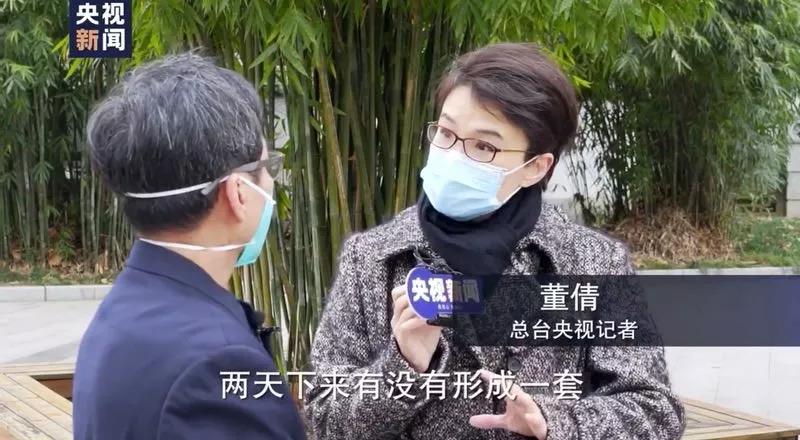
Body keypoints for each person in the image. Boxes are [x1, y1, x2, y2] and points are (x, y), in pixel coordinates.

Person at [305, 43, 685, 439]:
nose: (455, 156)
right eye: (446, 133)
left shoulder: (593, 262)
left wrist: (552, 423)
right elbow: (324, 417)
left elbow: (654, 411)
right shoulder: (373, 259)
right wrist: (405, 366)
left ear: (535, 167)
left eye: (484, 146)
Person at [72, 53, 305, 439]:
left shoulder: (122, 311)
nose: (270, 184)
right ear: (237, 193)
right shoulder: (219, 363)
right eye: (268, 168)